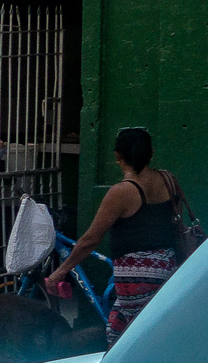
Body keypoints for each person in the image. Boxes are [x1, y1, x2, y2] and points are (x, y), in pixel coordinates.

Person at [47, 127, 183, 344]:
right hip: (169, 268)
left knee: (131, 340)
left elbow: (91, 239)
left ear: (117, 156)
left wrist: (60, 272)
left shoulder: (121, 192)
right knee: (120, 330)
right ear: (151, 153)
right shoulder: (169, 180)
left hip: (136, 277)